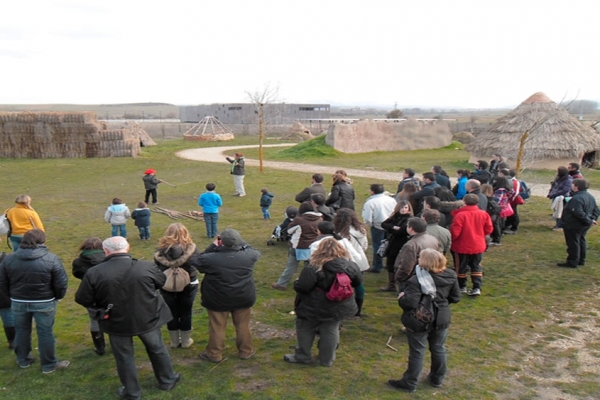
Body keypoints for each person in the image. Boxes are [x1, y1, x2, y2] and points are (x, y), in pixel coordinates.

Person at [75, 236, 180, 398]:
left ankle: (132, 392)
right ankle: (167, 380)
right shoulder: (146, 267)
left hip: (116, 320)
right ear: (128, 247)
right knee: (157, 348)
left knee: (124, 356)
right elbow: (160, 281)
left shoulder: (94, 272)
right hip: (147, 317)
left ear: (106, 251)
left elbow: (83, 299)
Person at [387, 248, 460, 393]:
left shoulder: (415, 280)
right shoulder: (450, 275)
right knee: (439, 348)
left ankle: (409, 382)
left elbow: (409, 303)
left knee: (417, 352)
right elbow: (455, 298)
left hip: (420, 320)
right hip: (441, 318)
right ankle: (437, 379)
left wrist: (402, 297)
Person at [284, 238, 362, 366]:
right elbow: (357, 282)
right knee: (331, 330)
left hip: (313, 305)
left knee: (305, 328)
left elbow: (303, 287)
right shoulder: (350, 266)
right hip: (339, 305)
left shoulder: (313, 267)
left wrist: (297, 282)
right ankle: (326, 360)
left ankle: (303, 356)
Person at [0, 229, 69, 373]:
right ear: (42, 241)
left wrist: (12, 295)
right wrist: (57, 296)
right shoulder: (51, 259)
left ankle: (23, 360)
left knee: (22, 330)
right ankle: (48, 365)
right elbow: (61, 283)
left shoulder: (9, 259)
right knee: (45, 332)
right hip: (44, 302)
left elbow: (2, 283)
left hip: (19, 301)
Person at [190, 229, 260, 362]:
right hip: (243, 296)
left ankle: (214, 354)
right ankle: (246, 351)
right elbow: (252, 249)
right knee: (242, 325)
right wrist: (239, 241)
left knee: (217, 326)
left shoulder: (210, 259)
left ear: (221, 241)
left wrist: (213, 245)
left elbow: (197, 260)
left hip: (218, 298)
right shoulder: (249, 256)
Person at [154, 223, 199, 349]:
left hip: (166, 285)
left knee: (171, 312)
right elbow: (198, 263)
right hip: (189, 284)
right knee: (186, 312)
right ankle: (185, 341)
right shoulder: (192, 249)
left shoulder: (160, 251)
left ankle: (174, 341)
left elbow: (157, 268)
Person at [310, 221, 369, 316]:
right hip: (346, 270)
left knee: (329, 292)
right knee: (358, 285)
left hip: (327, 273)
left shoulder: (316, 244)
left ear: (319, 231)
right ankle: (358, 310)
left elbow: (313, 263)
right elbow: (357, 257)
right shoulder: (344, 241)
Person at [271, 202, 322, 290]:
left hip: (299, 246)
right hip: (314, 247)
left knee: (291, 266)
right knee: (310, 267)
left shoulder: (299, 220)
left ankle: (281, 284)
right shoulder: (320, 219)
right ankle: (310, 284)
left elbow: (289, 231)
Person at [450, 194, 493, 296]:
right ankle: (476, 287)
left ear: (464, 202)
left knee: (461, 266)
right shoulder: (484, 214)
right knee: (476, 265)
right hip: (478, 245)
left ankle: (462, 286)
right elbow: (489, 229)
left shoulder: (460, 215)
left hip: (461, 245)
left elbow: (455, 232)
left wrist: (452, 240)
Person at [72, 237, 107, 355]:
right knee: (117, 316)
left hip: (91, 294)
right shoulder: (109, 258)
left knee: (94, 319)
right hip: (109, 292)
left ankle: (100, 347)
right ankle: (122, 342)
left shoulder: (78, 262)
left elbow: (76, 274)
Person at [557, 179, 599, 268]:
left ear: (576, 187)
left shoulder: (576, 198)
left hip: (574, 224)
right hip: (584, 225)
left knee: (573, 243)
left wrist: (589, 220)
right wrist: (592, 219)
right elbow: (596, 210)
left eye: (573, 184)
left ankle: (572, 261)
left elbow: (578, 212)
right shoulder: (590, 196)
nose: (571, 185)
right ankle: (581, 260)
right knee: (581, 240)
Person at [395, 218, 441, 290]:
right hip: (428, 275)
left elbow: (406, 266)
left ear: (411, 228)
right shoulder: (433, 239)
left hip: (413, 278)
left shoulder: (411, 245)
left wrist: (399, 277)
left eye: (407, 226)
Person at [362, 184, 397, 273]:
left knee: (377, 246)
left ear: (372, 191)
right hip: (390, 226)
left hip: (378, 226)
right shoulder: (391, 200)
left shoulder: (370, 202)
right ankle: (388, 263)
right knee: (389, 244)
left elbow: (367, 217)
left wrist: (370, 224)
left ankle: (377, 266)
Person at [380, 200, 413, 291]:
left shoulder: (409, 218)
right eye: (402, 207)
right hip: (392, 243)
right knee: (390, 262)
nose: (403, 209)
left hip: (403, 243)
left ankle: (400, 284)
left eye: (406, 207)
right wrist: (393, 227)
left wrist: (391, 228)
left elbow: (403, 231)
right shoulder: (395, 216)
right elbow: (383, 224)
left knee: (401, 264)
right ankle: (392, 284)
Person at [0, 251, 16, 350]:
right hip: (5, 296)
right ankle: (13, 341)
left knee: (9, 319)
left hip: (4, 297)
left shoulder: (7, 259)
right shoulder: (7, 259)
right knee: (9, 319)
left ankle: (13, 340)